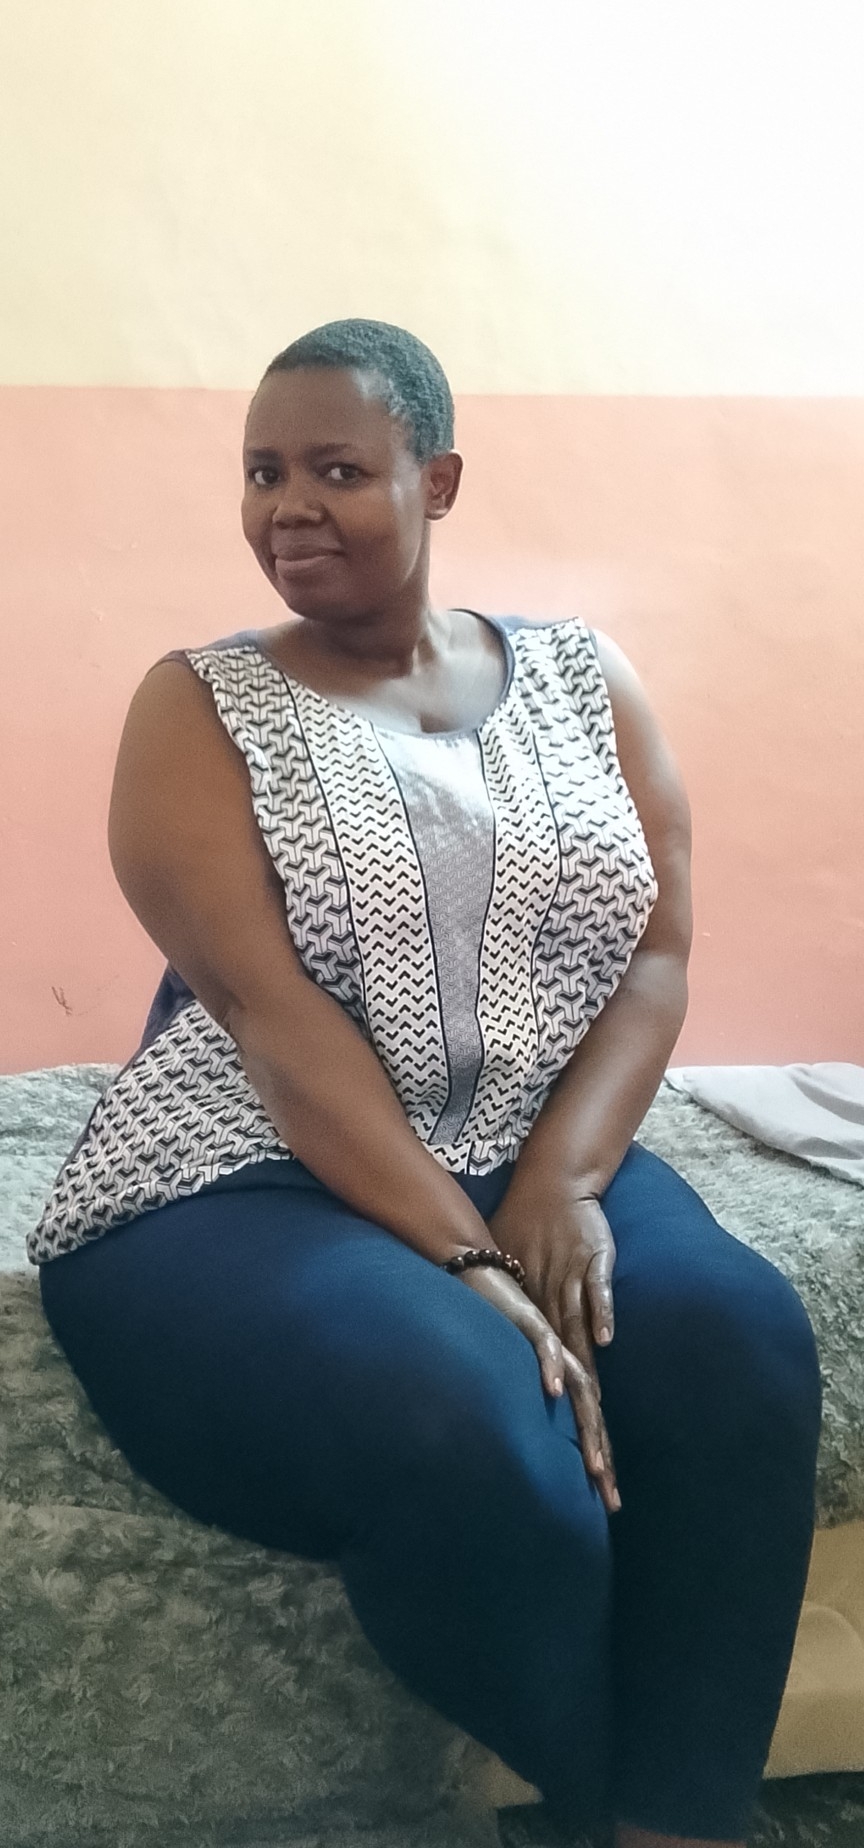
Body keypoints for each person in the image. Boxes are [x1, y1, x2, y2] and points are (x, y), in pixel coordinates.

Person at [30, 319, 822, 1848]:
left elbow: (655, 950)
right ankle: (604, 1803)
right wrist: (468, 1257)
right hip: (243, 1169)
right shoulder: (200, 706)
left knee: (739, 1342)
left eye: (336, 470)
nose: (288, 507)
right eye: (263, 473)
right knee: (471, 1416)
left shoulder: (586, 678)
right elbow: (266, 1014)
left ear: (436, 480)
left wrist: (562, 1184)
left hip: (526, 1137)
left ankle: (680, 1821)